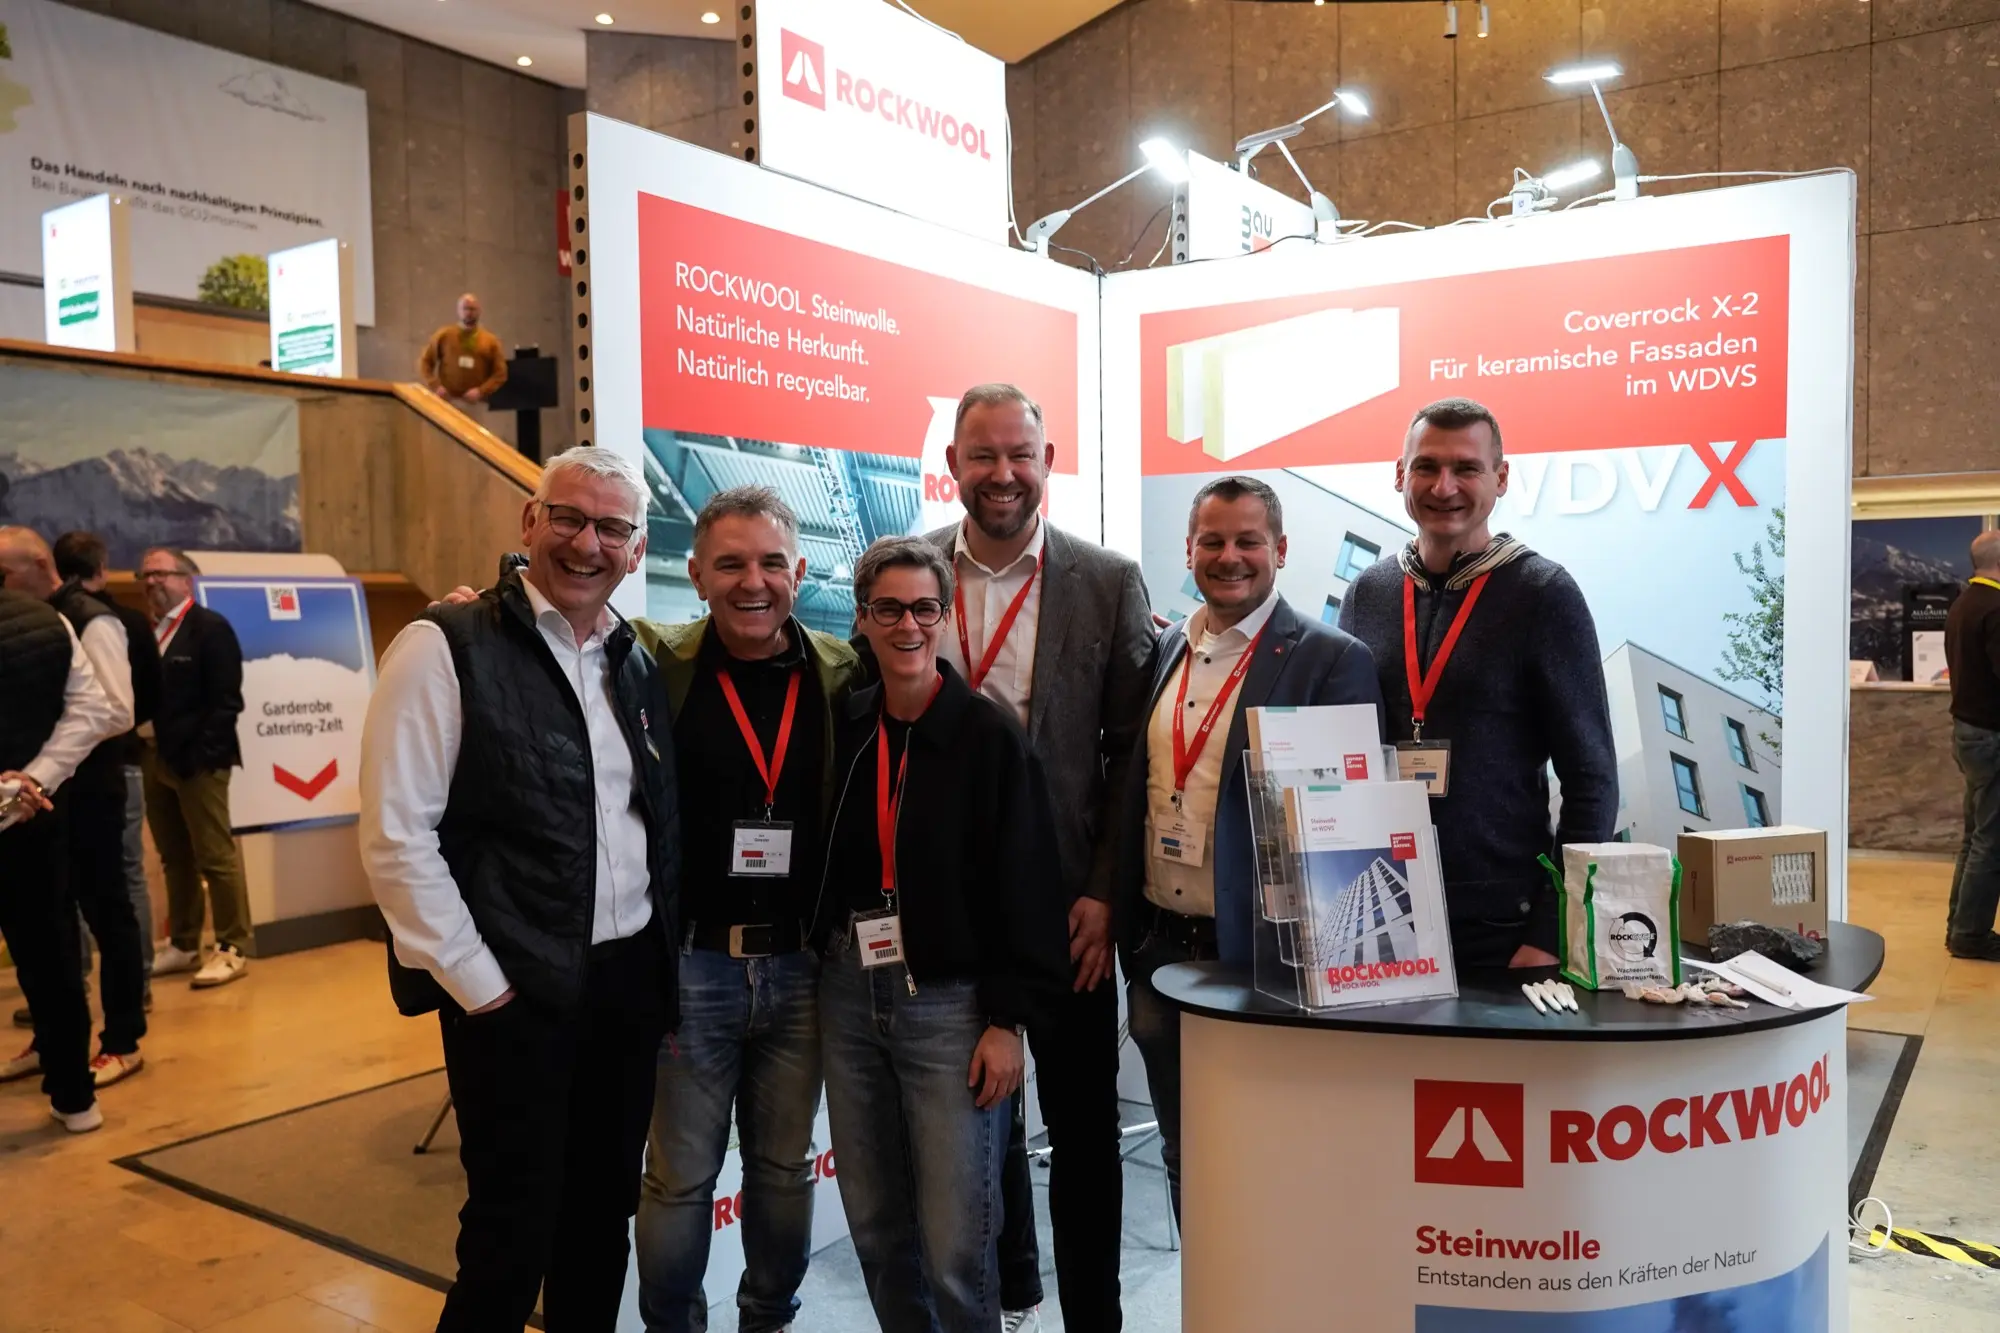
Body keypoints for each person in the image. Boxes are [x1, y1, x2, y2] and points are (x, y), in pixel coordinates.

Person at [359, 445, 681, 1330]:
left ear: (637, 548)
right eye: (568, 517)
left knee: (600, 1222)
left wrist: (657, 982)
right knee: (509, 1235)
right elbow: (396, 837)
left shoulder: (632, 659)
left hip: (623, 990)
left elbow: (646, 826)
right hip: (513, 992)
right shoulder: (444, 645)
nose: (587, 543)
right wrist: (482, 988)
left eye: (611, 527)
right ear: (530, 522)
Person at [920, 383, 1155, 1333]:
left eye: (1021, 453)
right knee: (972, 1126)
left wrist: (1105, 891)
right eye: (983, 455)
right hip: (945, 910)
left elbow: (1133, 755)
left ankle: (1094, 1319)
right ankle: (1009, 1296)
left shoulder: (1106, 580)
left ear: (1048, 461)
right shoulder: (908, 570)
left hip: (1066, 913)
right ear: (954, 466)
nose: (1003, 473)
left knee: (1084, 1133)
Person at [816, 536, 1070, 1333]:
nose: (908, 625)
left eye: (924, 608)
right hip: (850, 993)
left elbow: (1029, 886)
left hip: (952, 1007)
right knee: (876, 1224)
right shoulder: (848, 724)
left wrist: (1006, 1020)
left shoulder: (988, 738)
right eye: (888, 608)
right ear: (863, 618)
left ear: (945, 615)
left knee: (958, 1243)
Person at [1116, 475, 1384, 1218]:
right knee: (1185, 1153)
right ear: (1190, 549)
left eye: (1248, 541)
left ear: (1281, 549)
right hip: (1160, 953)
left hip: (1265, 963)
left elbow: (1351, 830)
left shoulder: (1332, 658)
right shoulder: (1168, 646)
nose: (1229, 556)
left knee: (1273, 1158)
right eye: (1213, 541)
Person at [633, 486, 862, 1333]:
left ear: (799, 572)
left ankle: (768, 1320)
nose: (752, 582)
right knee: (680, 1179)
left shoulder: (842, 672)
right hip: (693, 967)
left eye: (770, 563)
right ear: (696, 575)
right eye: (730, 563)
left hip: (801, 967)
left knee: (783, 1169)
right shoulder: (653, 663)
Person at [1338, 397, 1617, 968]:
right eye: (1426, 466)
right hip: (1374, 915)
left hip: (1501, 928)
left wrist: (1550, 931)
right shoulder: (1368, 593)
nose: (1444, 487)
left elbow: (1592, 780)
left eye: (1466, 468)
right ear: (1400, 475)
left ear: (1501, 477)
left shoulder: (1543, 595)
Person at [0, 528, 147, 1087]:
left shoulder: (91, 619)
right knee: (50, 931)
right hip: (44, 802)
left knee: (107, 913)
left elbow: (116, 710)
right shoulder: (36, 619)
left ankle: (123, 1041)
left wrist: (44, 764)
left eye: (5, 576)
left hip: (91, 794)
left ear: (40, 565)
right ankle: (54, 1043)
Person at [137, 546, 255, 989]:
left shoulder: (210, 628)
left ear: (186, 580)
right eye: (145, 575)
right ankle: (185, 944)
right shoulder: (146, 632)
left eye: (161, 573)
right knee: (174, 856)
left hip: (200, 762)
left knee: (215, 856)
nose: (151, 582)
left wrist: (201, 754)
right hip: (153, 757)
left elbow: (227, 702)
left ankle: (232, 946)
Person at [54, 530, 163, 992]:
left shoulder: (55, 619)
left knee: (71, 880)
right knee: (125, 874)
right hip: (122, 760)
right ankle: (137, 981)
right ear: (102, 568)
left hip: (65, 767)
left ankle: (75, 980)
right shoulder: (133, 623)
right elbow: (151, 695)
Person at [1944, 529, 2000, 961]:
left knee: (1975, 837)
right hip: (1992, 737)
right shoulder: (1996, 608)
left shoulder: (1964, 604)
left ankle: (1960, 927)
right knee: (1991, 842)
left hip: (1969, 735)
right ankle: (1970, 936)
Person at [420, 292, 507, 405]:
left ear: (479, 311)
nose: (468, 313)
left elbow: (500, 374)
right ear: (458, 310)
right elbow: (425, 362)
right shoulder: (444, 335)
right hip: (447, 400)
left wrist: (481, 391)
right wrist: (435, 386)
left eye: (472, 309)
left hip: (475, 403)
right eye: (465, 308)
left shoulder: (491, 341)